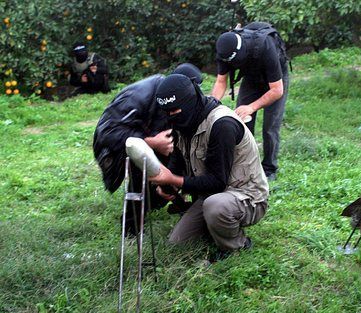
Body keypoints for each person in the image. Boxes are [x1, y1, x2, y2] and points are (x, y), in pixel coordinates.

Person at [149, 74, 269, 261]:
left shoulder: (222, 125)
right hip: (210, 195)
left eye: (174, 111)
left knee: (215, 207)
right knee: (177, 242)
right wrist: (166, 184)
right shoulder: (184, 121)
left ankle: (237, 246)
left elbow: (217, 182)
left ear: (190, 102)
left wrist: (172, 179)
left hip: (246, 196)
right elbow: (178, 160)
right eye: (166, 112)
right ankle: (215, 225)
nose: (170, 117)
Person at [93, 64, 203, 235]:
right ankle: (131, 227)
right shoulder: (138, 96)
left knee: (178, 158)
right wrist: (151, 142)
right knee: (144, 163)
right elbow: (107, 134)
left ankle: (178, 204)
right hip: (114, 148)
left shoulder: (170, 98)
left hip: (145, 137)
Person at [211, 22, 289, 181]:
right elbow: (221, 82)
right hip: (251, 78)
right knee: (242, 123)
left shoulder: (265, 46)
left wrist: (251, 107)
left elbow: (277, 90)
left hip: (275, 80)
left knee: (270, 126)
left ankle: (269, 169)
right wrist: (210, 106)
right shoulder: (224, 50)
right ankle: (245, 164)